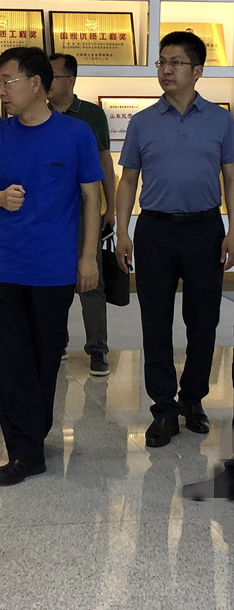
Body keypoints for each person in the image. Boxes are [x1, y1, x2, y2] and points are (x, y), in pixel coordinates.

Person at [0, 46, 103, 485]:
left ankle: (34, 437)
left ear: (36, 84)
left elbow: (92, 197)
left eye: (7, 81)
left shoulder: (76, 133)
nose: (1, 90)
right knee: (11, 360)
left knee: (46, 358)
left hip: (54, 268)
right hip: (5, 266)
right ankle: (23, 451)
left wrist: (87, 257)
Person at [115, 30, 234, 448]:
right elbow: (128, 180)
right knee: (155, 321)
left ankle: (194, 399)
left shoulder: (220, 120)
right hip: (155, 230)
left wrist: (233, 231)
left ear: (198, 70)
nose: (166, 70)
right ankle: (163, 408)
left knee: (203, 320)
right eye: (162, 62)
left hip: (205, 229)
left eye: (176, 62)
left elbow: (231, 179)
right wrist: (122, 230)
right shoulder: (143, 121)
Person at [48, 53, 116, 376]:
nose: (46, 82)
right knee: (52, 282)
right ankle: (56, 342)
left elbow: (105, 162)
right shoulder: (37, 112)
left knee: (91, 281)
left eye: (53, 76)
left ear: (71, 80)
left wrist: (111, 207)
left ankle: (97, 349)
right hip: (48, 213)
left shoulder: (91, 114)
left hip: (83, 212)